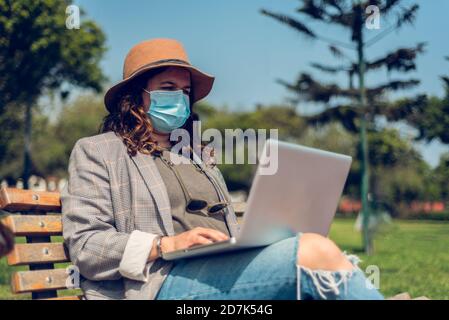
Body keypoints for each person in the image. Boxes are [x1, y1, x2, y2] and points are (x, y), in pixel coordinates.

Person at [61, 38, 383, 300]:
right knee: (315, 251)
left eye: (185, 92)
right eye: (167, 88)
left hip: (221, 268)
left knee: (308, 242)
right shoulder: (98, 151)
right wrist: (164, 244)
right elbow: (85, 245)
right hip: (159, 283)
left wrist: (256, 234)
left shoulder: (196, 157)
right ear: (135, 98)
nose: (179, 99)